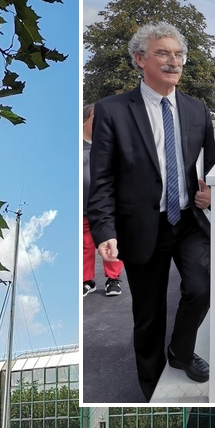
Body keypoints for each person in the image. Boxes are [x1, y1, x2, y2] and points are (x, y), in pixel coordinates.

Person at [87, 22, 215, 401]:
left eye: (178, 54)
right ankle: (150, 386)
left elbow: (211, 164)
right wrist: (104, 231)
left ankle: (180, 351)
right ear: (140, 59)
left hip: (189, 220)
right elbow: (103, 180)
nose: (173, 61)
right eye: (163, 53)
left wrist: (210, 191)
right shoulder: (112, 111)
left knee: (201, 288)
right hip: (141, 225)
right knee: (149, 313)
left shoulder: (197, 109)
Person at [82, 104, 125, 298]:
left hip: (107, 207)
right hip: (83, 207)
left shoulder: (111, 147)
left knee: (111, 242)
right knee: (86, 245)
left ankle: (113, 279)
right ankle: (86, 280)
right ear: (84, 122)